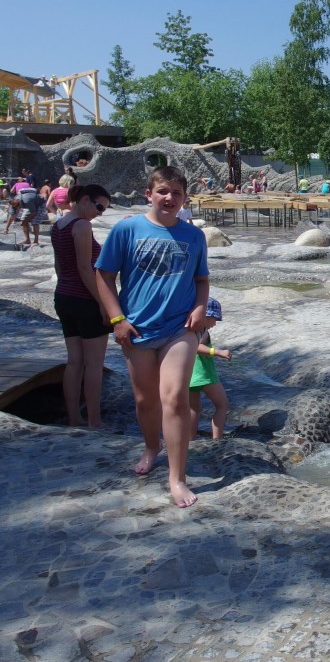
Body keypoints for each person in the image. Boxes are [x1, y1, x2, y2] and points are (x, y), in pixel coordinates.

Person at [95, 166, 210, 508]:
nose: (169, 198)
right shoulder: (128, 229)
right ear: (149, 194)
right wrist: (117, 319)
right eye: (163, 191)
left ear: (184, 198)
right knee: (146, 401)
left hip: (181, 328)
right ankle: (151, 446)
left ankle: (177, 478)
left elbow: (202, 280)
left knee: (175, 398)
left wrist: (201, 307)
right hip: (138, 328)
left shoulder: (194, 236)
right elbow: (103, 275)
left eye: (176, 193)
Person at [52, 184, 112, 428]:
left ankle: (74, 418)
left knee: (74, 360)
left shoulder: (58, 225)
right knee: (94, 363)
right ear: (85, 200)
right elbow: (85, 268)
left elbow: (58, 265)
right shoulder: (82, 225)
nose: (100, 212)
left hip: (63, 296)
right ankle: (94, 421)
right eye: (99, 206)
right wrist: (103, 302)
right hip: (84, 299)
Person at [188, 297, 231, 441]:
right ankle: (217, 439)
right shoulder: (203, 330)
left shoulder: (188, 329)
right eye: (215, 319)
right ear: (206, 316)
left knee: (194, 409)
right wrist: (218, 352)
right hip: (204, 375)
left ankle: (190, 440)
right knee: (222, 404)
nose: (215, 323)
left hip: (189, 376)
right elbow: (196, 347)